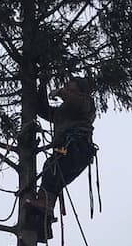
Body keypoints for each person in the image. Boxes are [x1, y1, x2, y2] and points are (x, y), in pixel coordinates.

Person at [25, 76, 96, 236]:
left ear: (79, 89)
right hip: (69, 150)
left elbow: (75, 103)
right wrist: (42, 85)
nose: (67, 87)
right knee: (53, 179)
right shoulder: (63, 112)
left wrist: (60, 92)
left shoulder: (86, 102)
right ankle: (43, 219)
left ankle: (44, 205)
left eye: (71, 86)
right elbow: (42, 110)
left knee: (51, 170)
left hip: (77, 147)